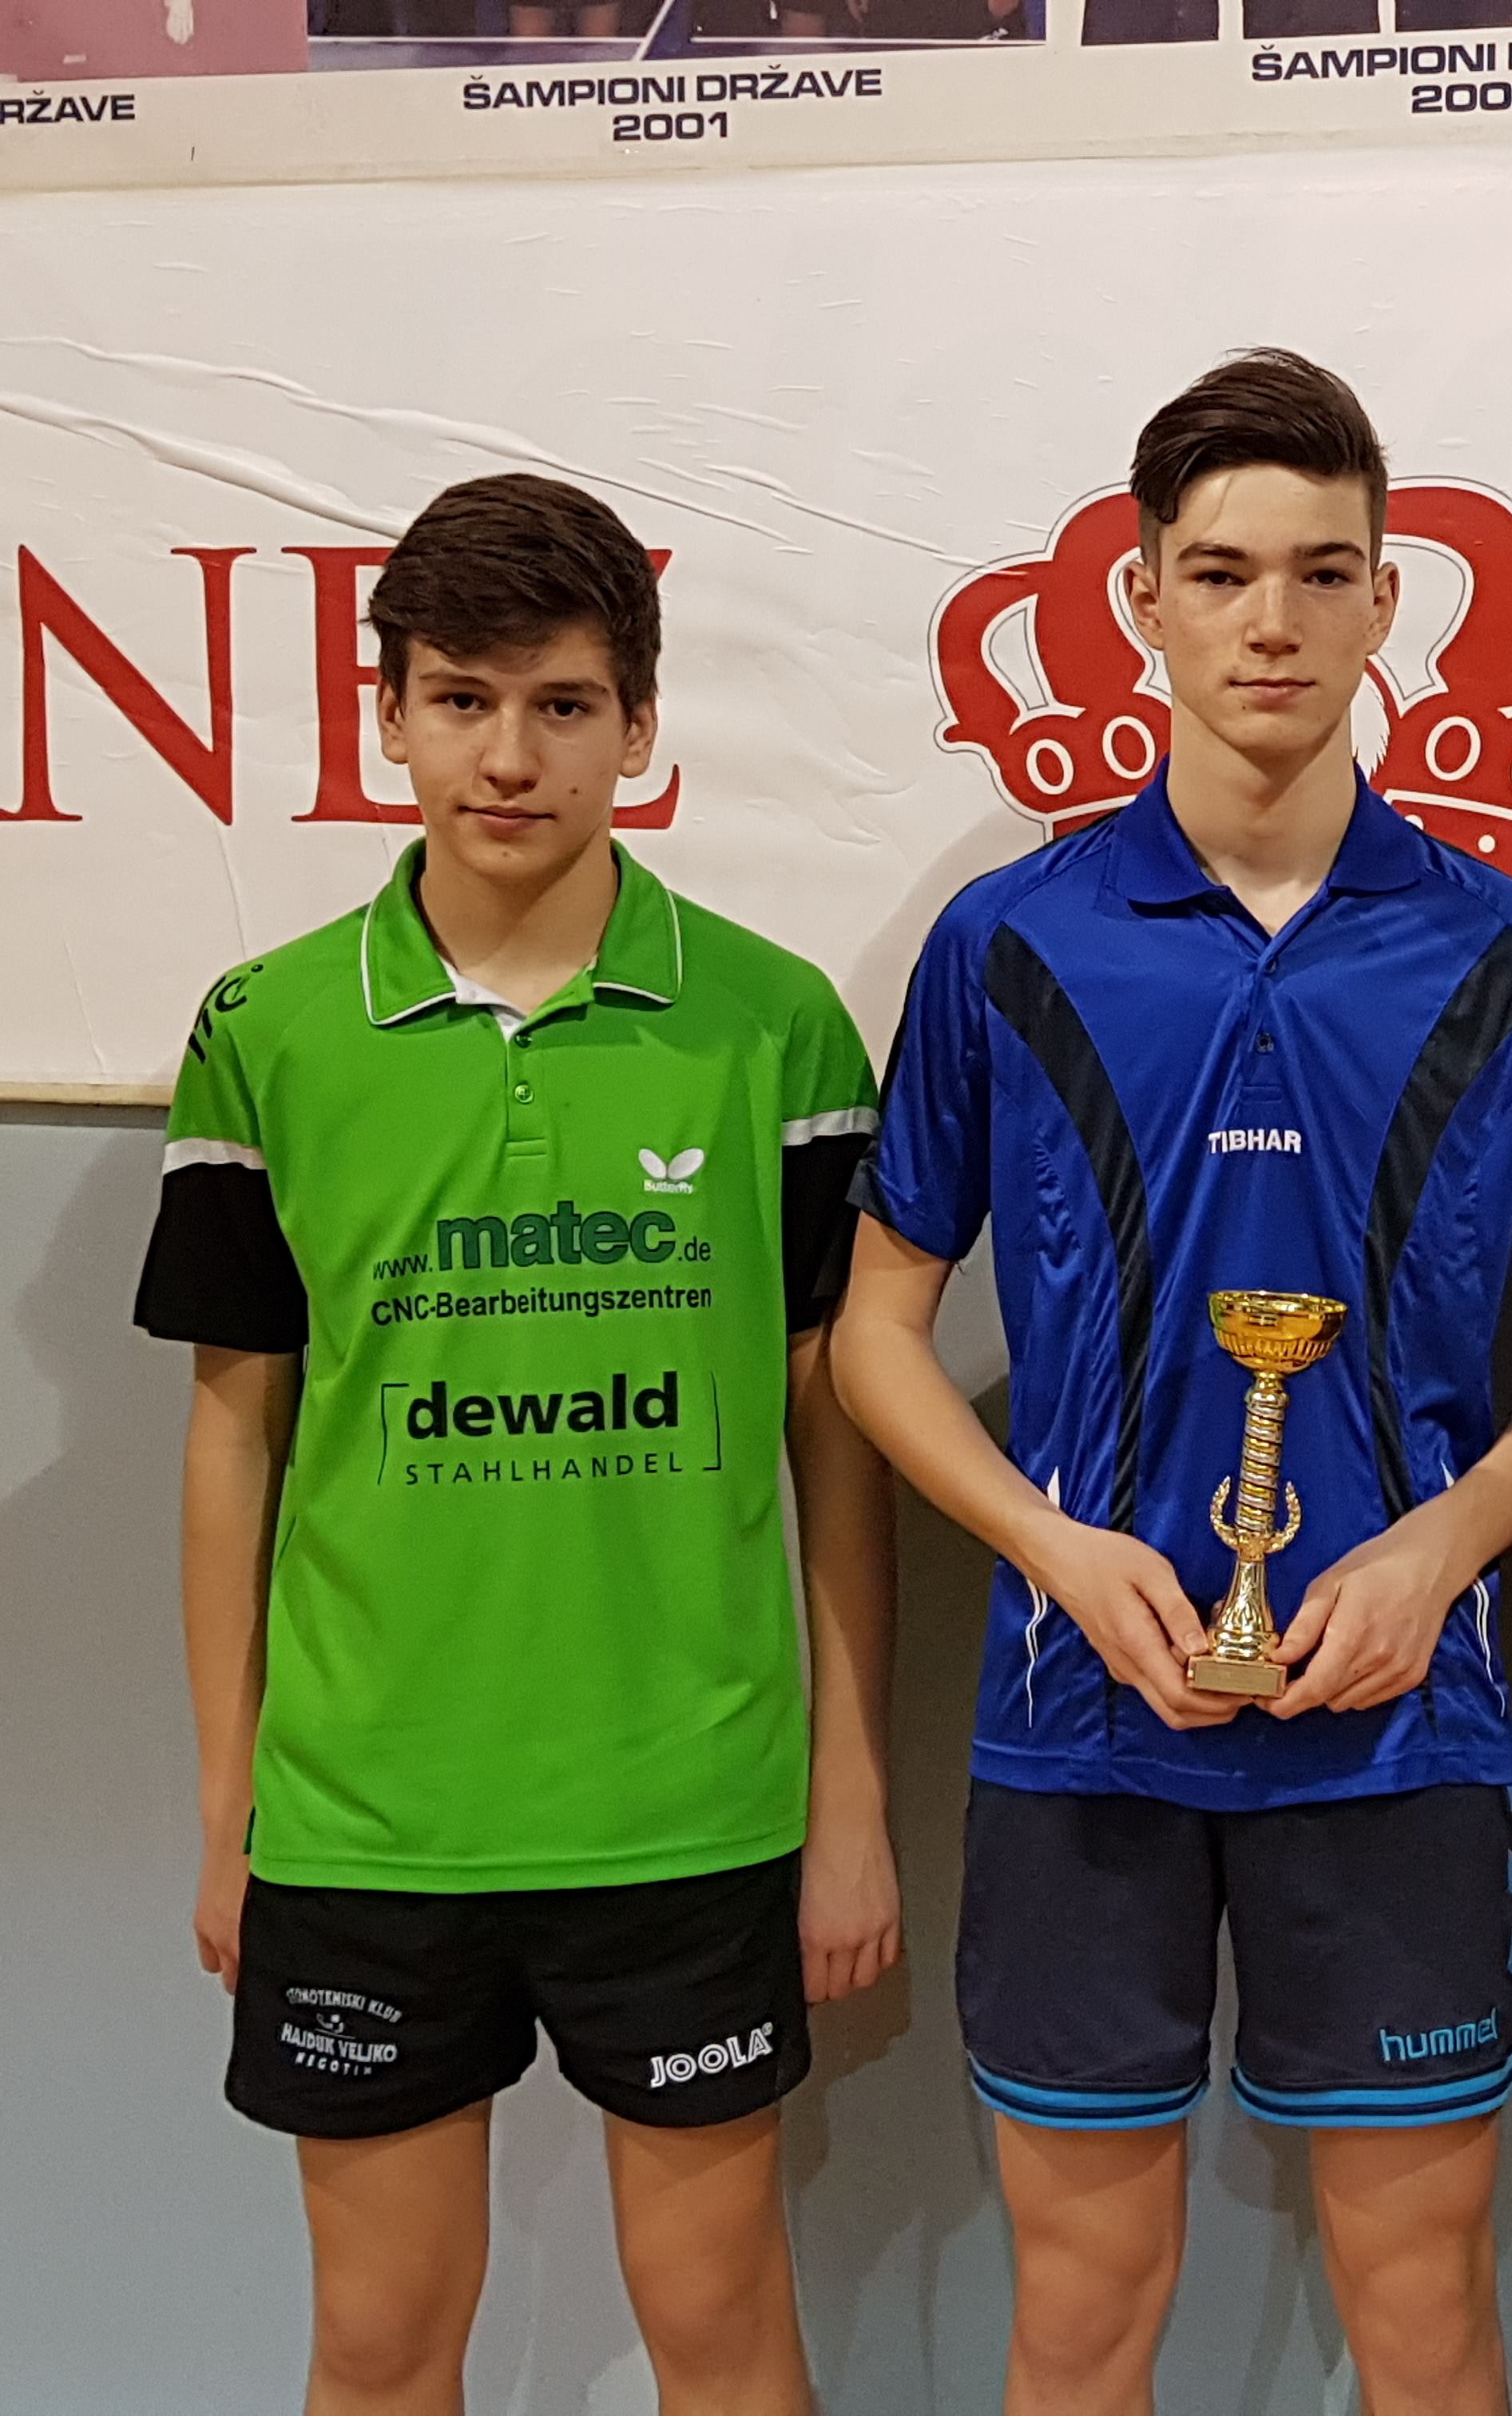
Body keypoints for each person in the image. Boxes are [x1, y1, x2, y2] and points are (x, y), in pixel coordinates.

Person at [828, 348, 1512, 2416]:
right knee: (1082, 2322)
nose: (1271, 622)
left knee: (1425, 2324)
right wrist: (1051, 1548)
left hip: (1402, 1731)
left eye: (1321, 573)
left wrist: (1448, 1545)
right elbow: (872, 1338)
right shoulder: (1009, 941)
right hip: (1079, 1726)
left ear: (1387, 604)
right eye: (1220, 573)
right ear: (1143, 600)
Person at [134, 472, 900, 2416]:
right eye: (463, 700)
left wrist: (851, 1791)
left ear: (640, 727)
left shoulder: (775, 1028)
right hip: (368, 1816)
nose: (509, 755)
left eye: (563, 705)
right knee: (382, 2343)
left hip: (692, 1800)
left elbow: (834, 1440)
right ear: (387, 714)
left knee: (721, 2331)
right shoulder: (267, 1030)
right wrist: (230, 1801)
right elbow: (234, 1436)